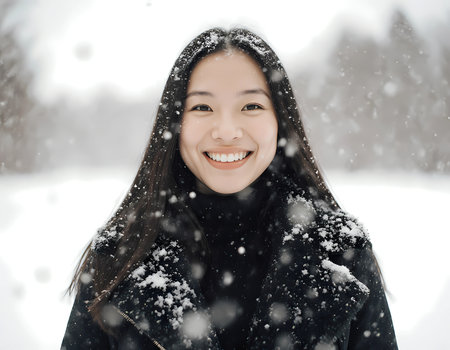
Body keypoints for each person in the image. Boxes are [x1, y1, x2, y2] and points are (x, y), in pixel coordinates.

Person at [61, 28, 397, 350]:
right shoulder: (118, 258)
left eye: (251, 106)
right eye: (202, 107)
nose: (226, 131)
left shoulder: (342, 253)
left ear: (279, 120)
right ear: (176, 124)